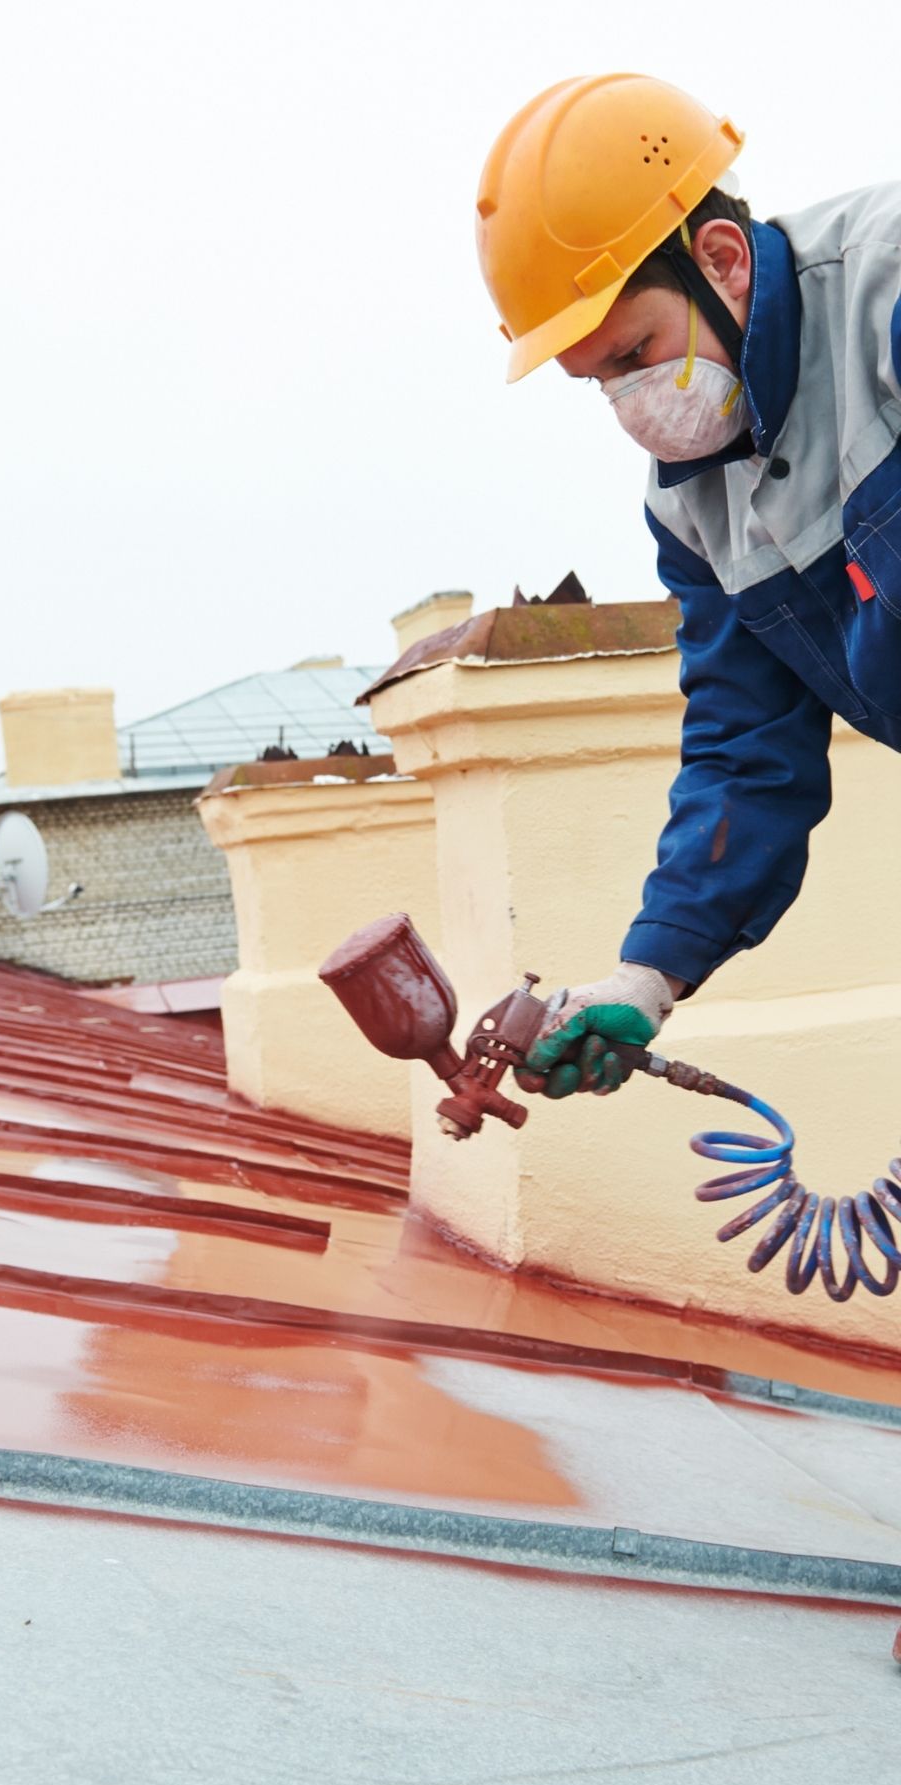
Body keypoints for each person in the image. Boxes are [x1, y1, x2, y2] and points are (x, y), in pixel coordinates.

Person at [473, 73, 901, 1099]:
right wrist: (648, 974)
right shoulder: (694, 511)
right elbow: (747, 751)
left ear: (721, 259)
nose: (630, 405)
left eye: (636, 354)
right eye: (598, 383)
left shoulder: (886, 281)